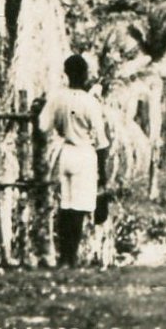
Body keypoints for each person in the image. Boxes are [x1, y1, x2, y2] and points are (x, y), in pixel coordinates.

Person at [43, 54, 113, 266]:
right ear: (84, 75)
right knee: (79, 208)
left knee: (66, 205)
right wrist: (103, 173)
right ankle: (70, 257)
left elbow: (42, 125)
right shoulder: (90, 102)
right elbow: (101, 142)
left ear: (67, 74)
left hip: (65, 153)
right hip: (84, 154)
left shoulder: (57, 98)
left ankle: (64, 256)